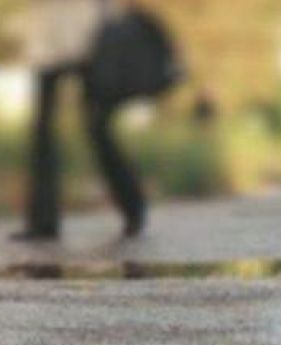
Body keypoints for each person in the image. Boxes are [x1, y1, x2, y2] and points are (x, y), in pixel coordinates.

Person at [20, 0, 182, 240]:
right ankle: (43, 221)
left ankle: (132, 205)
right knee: (43, 130)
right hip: (49, 37)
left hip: (91, 35)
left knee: (96, 127)